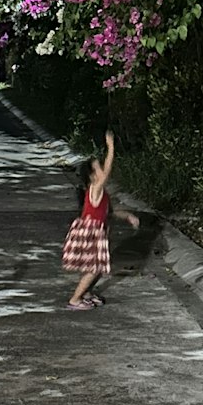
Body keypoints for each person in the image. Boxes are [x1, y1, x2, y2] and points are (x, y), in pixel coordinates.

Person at [62, 129, 139, 309]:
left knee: (99, 266)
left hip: (96, 232)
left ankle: (87, 292)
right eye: (98, 167)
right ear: (92, 176)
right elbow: (108, 172)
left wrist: (128, 216)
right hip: (90, 232)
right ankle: (75, 299)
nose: (102, 170)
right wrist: (111, 148)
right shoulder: (94, 189)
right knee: (94, 268)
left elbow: (109, 212)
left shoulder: (102, 194)